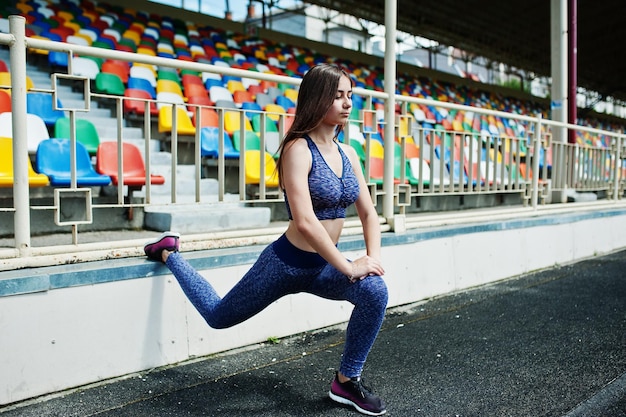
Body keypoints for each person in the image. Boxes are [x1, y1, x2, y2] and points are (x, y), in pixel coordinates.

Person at [144, 63, 389, 416]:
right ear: (317, 99)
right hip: (285, 264)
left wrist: (372, 261)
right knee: (217, 316)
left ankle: (346, 381)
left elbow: (369, 214)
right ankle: (170, 253)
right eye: (338, 96)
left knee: (375, 291)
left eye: (350, 95)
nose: (347, 103)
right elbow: (304, 221)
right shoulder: (297, 149)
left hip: (323, 267)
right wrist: (350, 266)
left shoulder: (349, 154)